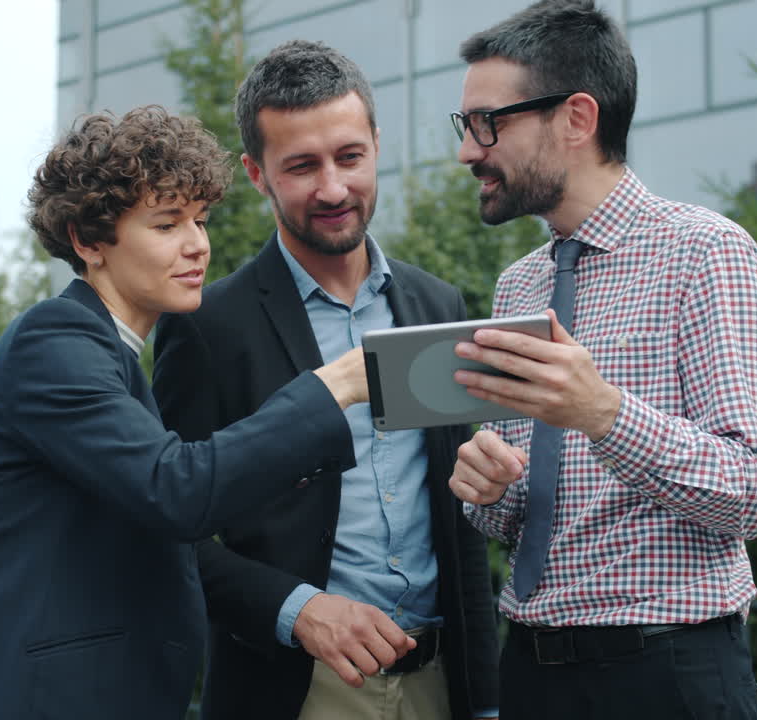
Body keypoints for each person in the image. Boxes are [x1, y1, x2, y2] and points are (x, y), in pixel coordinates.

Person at [0, 107, 375, 720]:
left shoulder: (116, 360)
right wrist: (332, 387)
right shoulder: (54, 340)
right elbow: (177, 488)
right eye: (167, 224)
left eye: (199, 221)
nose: (197, 245)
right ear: (88, 241)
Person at [444, 2, 757, 718]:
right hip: (532, 669)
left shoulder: (708, 254)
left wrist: (605, 414)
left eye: (487, 123)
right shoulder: (520, 284)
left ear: (575, 118)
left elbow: (755, 493)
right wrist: (488, 491)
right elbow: (517, 519)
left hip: (667, 673)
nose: (469, 151)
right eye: (465, 125)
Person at [152, 40, 501, 720]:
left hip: (439, 685)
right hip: (293, 691)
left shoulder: (437, 306)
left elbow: (461, 532)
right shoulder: (206, 325)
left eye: (349, 157)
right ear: (257, 173)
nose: (334, 188)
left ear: (376, 142)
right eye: (302, 166)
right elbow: (166, 530)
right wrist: (297, 610)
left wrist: (483, 700)